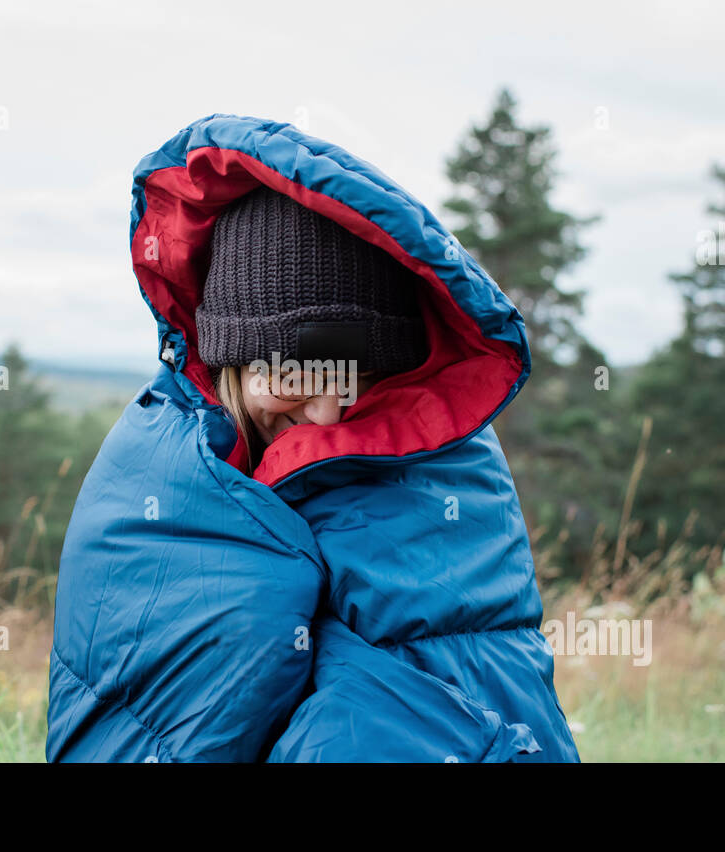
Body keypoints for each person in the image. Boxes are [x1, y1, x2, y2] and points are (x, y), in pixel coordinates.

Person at [46, 114, 580, 762]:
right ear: (232, 363)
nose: (327, 415)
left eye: (359, 379)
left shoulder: (448, 461)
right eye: (297, 376)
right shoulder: (154, 478)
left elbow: (490, 676)